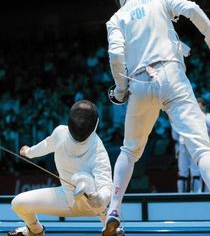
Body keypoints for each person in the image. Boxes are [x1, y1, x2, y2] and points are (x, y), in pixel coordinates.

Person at [103, 0, 210, 235]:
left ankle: (113, 210)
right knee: (201, 148)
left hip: (140, 83)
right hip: (172, 75)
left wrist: (120, 90)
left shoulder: (116, 18)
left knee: (129, 151)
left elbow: (116, 55)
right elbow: (191, 8)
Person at [7, 100, 124, 236]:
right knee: (18, 203)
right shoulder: (60, 134)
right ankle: (35, 230)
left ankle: (109, 225)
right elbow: (45, 145)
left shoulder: (97, 150)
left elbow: (106, 186)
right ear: (96, 123)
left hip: (91, 205)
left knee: (81, 178)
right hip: (65, 198)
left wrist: (100, 198)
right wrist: (29, 152)